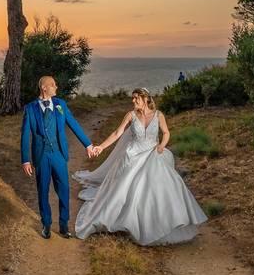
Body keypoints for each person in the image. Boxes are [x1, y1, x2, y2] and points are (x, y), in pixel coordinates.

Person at [73, 87, 208, 245]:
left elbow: (166, 133)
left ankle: (157, 223)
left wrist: (162, 146)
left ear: (146, 99)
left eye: (136, 98)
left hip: (152, 154)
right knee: (124, 189)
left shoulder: (158, 115)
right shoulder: (130, 115)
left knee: (156, 188)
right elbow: (117, 133)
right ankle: (123, 221)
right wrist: (101, 147)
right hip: (132, 155)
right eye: (132, 98)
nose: (133, 101)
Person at [20, 75, 100, 239]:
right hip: (41, 156)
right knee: (42, 191)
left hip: (58, 154)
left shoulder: (60, 105)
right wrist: (26, 159)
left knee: (64, 189)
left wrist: (88, 145)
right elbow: (25, 135)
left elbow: (74, 125)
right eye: (53, 85)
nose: (56, 87)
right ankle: (46, 225)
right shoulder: (30, 108)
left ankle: (64, 225)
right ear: (44, 88)